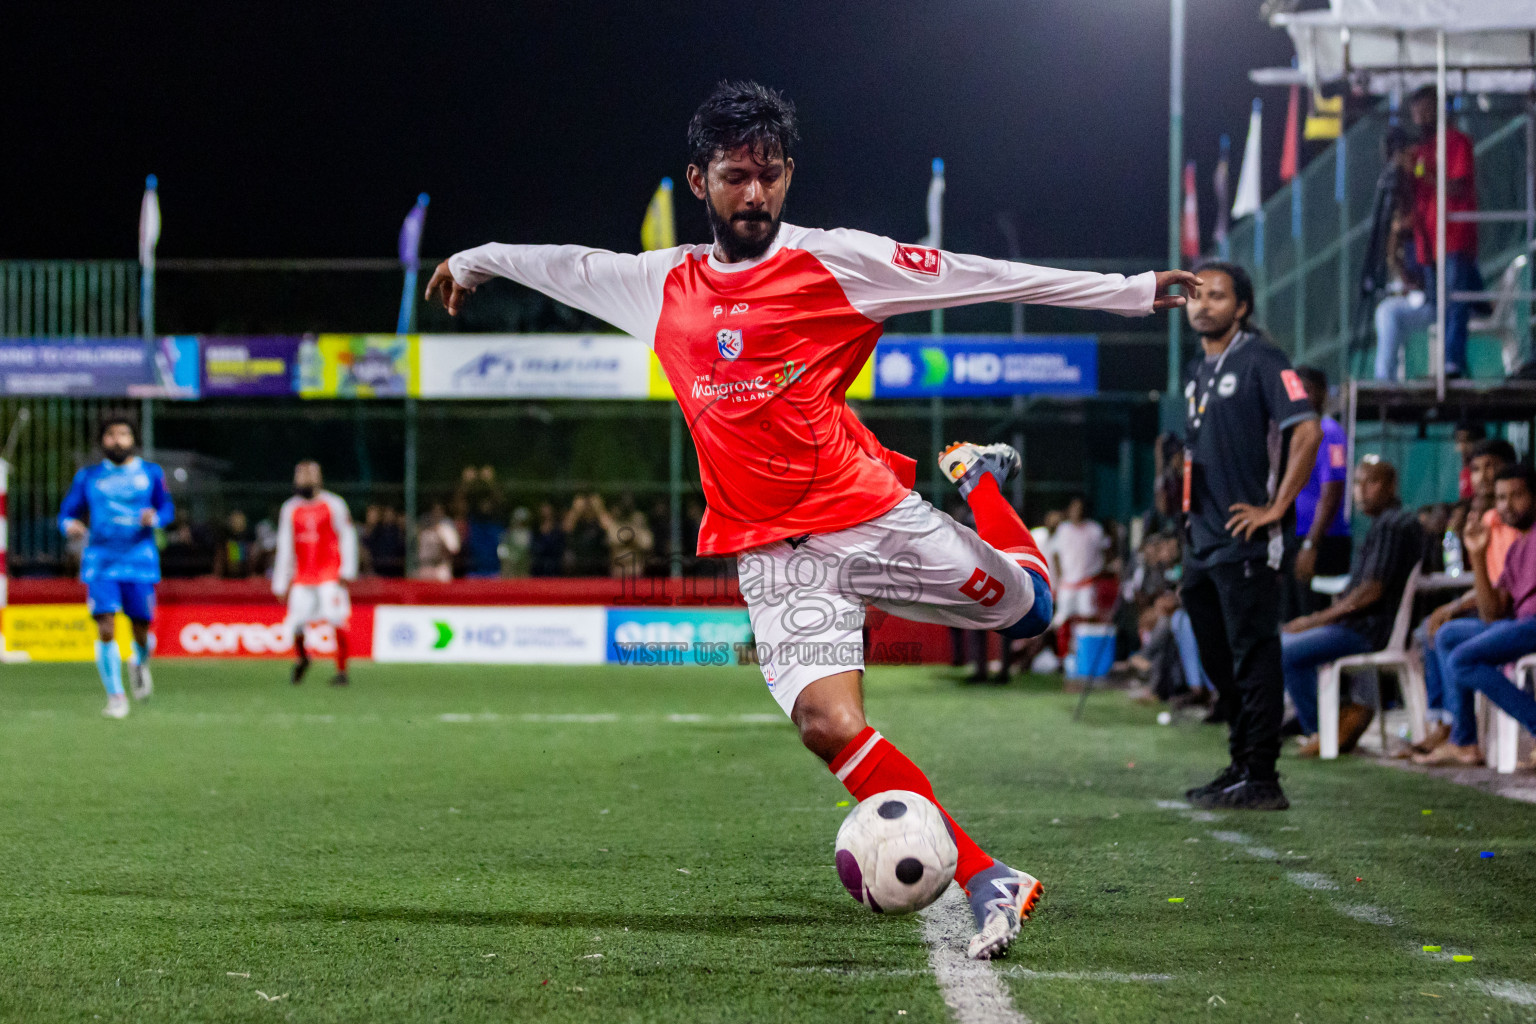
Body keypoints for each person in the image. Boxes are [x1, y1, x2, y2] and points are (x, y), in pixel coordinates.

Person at [423, 80, 1197, 959]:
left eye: (770, 174)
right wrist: (478, 256)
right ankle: (993, 879)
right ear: (698, 180)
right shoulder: (662, 284)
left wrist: (1128, 292)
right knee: (827, 726)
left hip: (872, 518)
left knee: (1032, 614)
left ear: (788, 177)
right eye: (734, 175)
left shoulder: (839, 263)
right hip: (776, 557)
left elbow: (979, 276)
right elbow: (568, 265)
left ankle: (980, 484)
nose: (753, 193)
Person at [1178, 260, 1323, 811]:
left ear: (1241, 307)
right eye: (1196, 295)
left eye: (1216, 296)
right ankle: (1241, 760)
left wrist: (1275, 508)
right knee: (1218, 656)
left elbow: (1306, 431)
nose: (1203, 304)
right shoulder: (1196, 371)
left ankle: (1262, 775)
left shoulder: (1263, 359)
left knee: (1254, 653)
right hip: (1203, 540)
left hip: (1248, 538)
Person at [1280, 458, 1425, 757]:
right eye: (1357, 483)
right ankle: (1341, 714)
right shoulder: (1386, 524)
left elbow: (1370, 593)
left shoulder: (1392, 525)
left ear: (1391, 486)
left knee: (1284, 650)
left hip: (1369, 630)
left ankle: (1325, 727)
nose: (1361, 491)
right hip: (1363, 626)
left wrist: (1314, 620)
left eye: (1370, 482)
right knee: (1286, 643)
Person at [1408, 438, 1519, 759]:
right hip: (1499, 612)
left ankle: (1461, 733)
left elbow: (1503, 594)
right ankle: (1449, 725)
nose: (1483, 476)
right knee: (1433, 630)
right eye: (1476, 469)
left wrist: (1456, 606)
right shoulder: (1482, 519)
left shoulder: (1515, 522)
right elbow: (1498, 582)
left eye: (1492, 468)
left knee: (1450, 641)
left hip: (1514, 617)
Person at [57, 418, 175, 718]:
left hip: (140, 560)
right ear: (102, 441)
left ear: (132, 438)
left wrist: (156, 519)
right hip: (101, 560)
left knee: (141, 629)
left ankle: (139, 662)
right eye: (111, 435)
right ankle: (116, 696)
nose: (117, 440)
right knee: (106, 626)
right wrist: (69, 524)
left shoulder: (150, 473)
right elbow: (66, 512)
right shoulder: (88, 477)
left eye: (123, 434)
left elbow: (167, 508)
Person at [1426, 464, 1536, 764]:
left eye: (1517, 495)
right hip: (1520, 625)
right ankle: (1465, 741)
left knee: (1464, 659)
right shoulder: (1518, 547)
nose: (1507, 505)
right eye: (1501, 498)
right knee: (1448, 635)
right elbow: (1492, 613)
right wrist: (1476, 552)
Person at [1374, 86, 1483, 380]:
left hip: (1455, 236)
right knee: (1439, 306)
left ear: (1438, 107)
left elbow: (1458, 186)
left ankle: (1452, 365)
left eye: (1425, 109)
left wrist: (1422, 172)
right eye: (1416, 111)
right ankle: (1408, 375)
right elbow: (1408, 199)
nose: (1420, 117)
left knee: (1455, 300)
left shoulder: (1457, 143)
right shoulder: (1420, 151)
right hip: (1429, 243)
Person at [272, 461, 358, 686]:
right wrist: (281, 582)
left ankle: (341, 671)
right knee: (296, 623)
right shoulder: (290, 508)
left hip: (330, 574)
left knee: (336, 618)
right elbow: (285, 546)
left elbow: (347, 536)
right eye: (299, 475)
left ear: (317, 478)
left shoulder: (334, 504)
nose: (302, 480)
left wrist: (347, 569)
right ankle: (303, 659)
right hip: (303, 576)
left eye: (306, 475)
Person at [1285, 367, 1351, 621]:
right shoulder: (1293, 434)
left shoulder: (1329, 432)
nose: (1301, 397)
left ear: (1323, 394)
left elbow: (1332, 491)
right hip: (1296, 540)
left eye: (1308, 390)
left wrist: (1312, 545)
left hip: (1323, 543)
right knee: (1290, 622)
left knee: (1313, 621)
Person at [1051, 497, 1106, 629]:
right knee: (1061, 620)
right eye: (1074, 508)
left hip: (1087, 582)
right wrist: (1059, 577)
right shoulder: (1063, 529)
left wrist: (1097, 573)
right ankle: (1064, 649)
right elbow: (1056, 554)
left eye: (1080, 508)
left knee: (1088, 617)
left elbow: (1104, 551)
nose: (1077, 511)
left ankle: (1085, 647)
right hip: (1067, 584)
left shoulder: (1095, 529)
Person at [415, 501, 461, 582]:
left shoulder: (447, 529)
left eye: (439, 510)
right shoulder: (424, 530)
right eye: (434, 511)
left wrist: (442, 541)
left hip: (441, 568)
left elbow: (454, 549)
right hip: (425, 567)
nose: (437, 513)